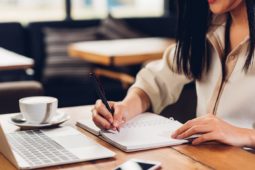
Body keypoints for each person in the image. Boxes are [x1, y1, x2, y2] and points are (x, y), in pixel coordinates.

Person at [92, 0, 255, 148]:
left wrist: (246, 135)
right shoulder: (209, 27)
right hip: (205, 160)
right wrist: (124, 109)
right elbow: (157, 80)